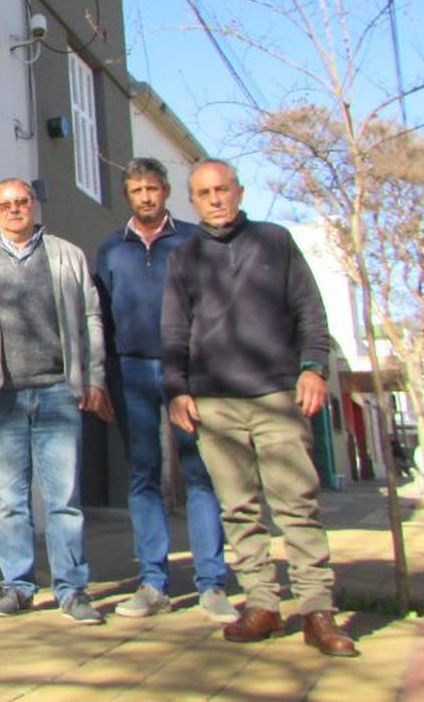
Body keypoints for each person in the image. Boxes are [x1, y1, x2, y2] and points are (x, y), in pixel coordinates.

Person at [161, 159, 358, 657]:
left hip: (276, 395)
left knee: (296, 504)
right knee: (239, 510)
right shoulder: (184, 257)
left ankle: (317, 609)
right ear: (193, 200)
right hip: (214, 403)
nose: (215, 199)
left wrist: (313, 367)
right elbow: (174, 331)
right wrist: (176, 390)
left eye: (222, 189)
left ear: (239, 191)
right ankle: (262, 604)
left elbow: (310, 311)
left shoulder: (276, 241)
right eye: (204, 193)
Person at [0, 178, 111, 625]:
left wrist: (95, 377)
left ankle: (72, 589)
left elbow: (91, 318)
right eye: (5, 204)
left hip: (58, 390)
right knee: (11, 499)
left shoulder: (67, 254)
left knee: (64, 498)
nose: (14, 209)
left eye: (22, 202)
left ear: (34, 205)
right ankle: (17, 586)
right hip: (0, 394)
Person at [94, 158, 235, 623]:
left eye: (153, 188)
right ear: (127, 195)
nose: (146, 197)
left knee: (200, 473)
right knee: (143, 476)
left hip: (189, 372)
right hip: (130, 371)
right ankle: (153, 580)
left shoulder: (194, 240)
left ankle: (211, 582)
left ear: (167, 190)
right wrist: (103, 376)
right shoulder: (111, 249)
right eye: (137, 190)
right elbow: (101, 318)